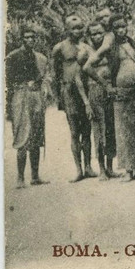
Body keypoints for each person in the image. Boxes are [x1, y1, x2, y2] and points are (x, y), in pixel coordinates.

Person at [85, 14, 135, 182]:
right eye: (117, 28)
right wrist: (106, 86)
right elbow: (87, 66)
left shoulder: (132, 43)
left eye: (123, 26)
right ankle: (128, 170)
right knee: (124, 131)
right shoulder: (110, 46)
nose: (121, 30)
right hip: (121, 93)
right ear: (112, 30)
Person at [50, 15, 95, 182]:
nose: (78, 31)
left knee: (87, 130)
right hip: (69, 91)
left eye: (80, 27)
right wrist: (58, 96)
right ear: (66, 29)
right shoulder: (59, 48)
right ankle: (78, 169)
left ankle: (88, 167)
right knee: (75, 131)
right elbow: (54, 74)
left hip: (86, 90)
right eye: (74, 28)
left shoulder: (86, 47)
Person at [6, 27, 50, 188]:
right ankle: (20, 178)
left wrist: (43, 88)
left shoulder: (40, 58)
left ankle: (35, 176)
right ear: (22, 39)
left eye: (32, 37)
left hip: (36, 96)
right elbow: (7, 82)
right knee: (22, 136)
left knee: (37, 136)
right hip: (20, 96)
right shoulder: (13, 56)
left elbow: (45, 77)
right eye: (27, 37)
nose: (30, 40)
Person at [78, 21, 118, 180]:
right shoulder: (85, 52)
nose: (97, 36)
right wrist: (86, 103)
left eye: (100, 33)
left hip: (110, 91)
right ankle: (101, 169)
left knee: (110, 129)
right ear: (89, 36)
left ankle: (110, 167)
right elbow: (78, 79)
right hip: (95, 91)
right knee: (99, 131)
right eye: (93, 34)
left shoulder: (107, 48)